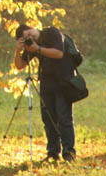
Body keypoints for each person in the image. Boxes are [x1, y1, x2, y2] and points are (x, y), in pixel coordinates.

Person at [14, 23, 76, 162]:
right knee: (48, 119)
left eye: (30, 33)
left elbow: (59, 53)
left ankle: (69, 153)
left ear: (32, 27)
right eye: (26, 38)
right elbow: (19, 66)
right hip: (47, 84)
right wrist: (18, 51)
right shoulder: (32, 46)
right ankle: (52, 153)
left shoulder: (51, 32)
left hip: (63, 81)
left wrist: (38, 49)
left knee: (64, 117)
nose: (30, 37)